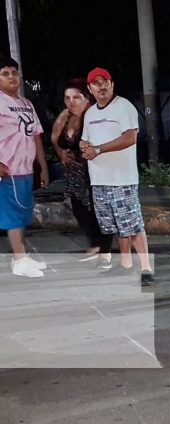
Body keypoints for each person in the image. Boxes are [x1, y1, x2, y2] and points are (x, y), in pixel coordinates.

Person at [79, 67, 154, 285]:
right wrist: (85, 146)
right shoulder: (90, 113)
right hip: (99, 179)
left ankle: (147, 269)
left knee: (133, 225)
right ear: (89, 88)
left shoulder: (124, 107)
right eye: (96, 83)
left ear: (112, 84)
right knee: (115, 226)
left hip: (122, 179)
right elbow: (86, 141)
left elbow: (130, 137)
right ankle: (126, 265)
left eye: (105, 82)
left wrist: (99, 150)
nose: (101, 86)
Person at [51, 79, 113, 268]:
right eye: (67, 98)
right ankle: (95, 245)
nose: (71, 102)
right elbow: (55, 138)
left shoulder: (94, 116)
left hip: (93, 171)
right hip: (73, 174)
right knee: (80, 209)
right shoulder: (65, 116)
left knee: (99, 209)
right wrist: (61, 152)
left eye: (76, 97)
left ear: (87, 98)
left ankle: (105, 249)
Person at [0, 55, 49, 278]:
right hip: (7, 170)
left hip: (26, 170)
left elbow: (36, 136)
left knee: (22, 214)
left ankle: (21, 257)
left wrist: (43, 166)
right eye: (5, 74)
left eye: (14, 73)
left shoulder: (26, 104)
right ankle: (20, 260)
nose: (11, 77)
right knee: (12, 216)